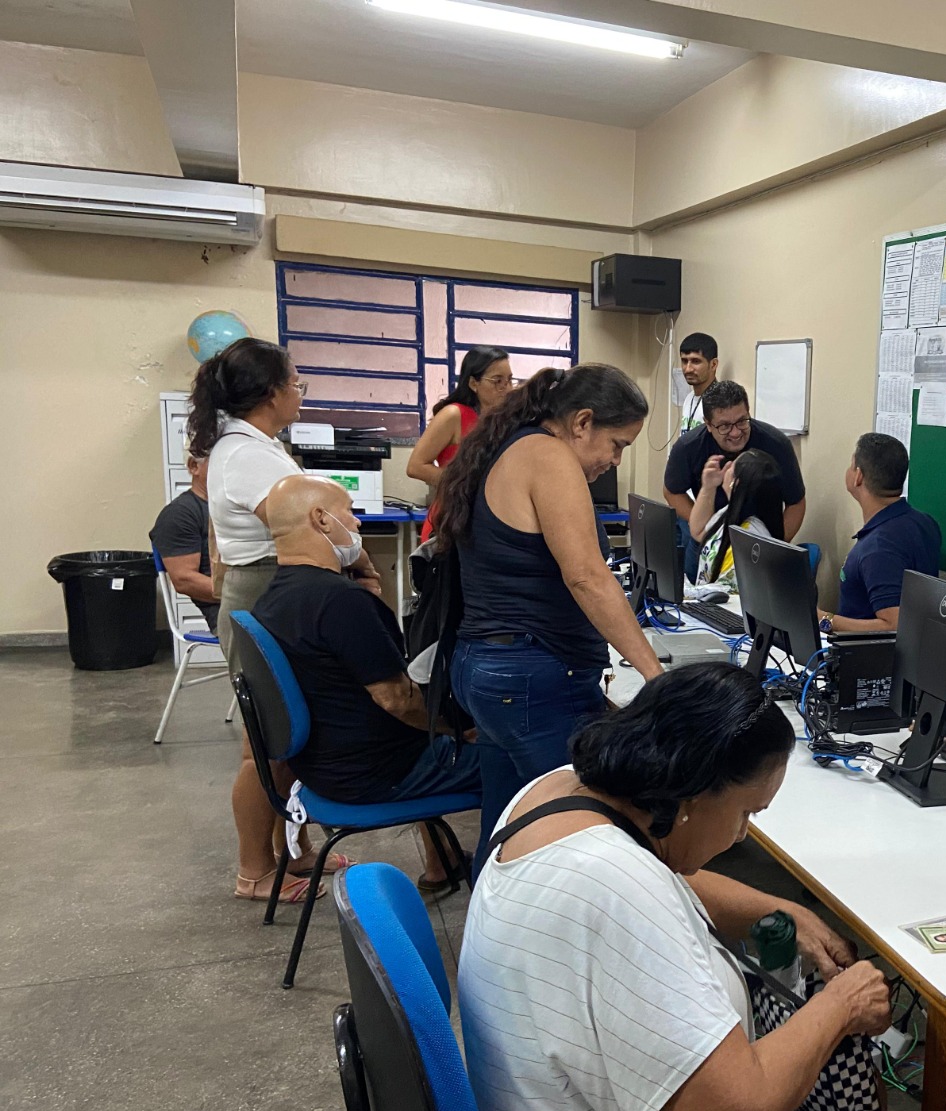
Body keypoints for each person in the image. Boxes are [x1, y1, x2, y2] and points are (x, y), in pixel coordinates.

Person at [457, 660, 931, 1111]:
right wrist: (841, 1005)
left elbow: (660, 871)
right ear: (693, 796)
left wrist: (777, 909)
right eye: (746, 813)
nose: (741, 836)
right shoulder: (619, 888)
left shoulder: (556, 794)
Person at [434, 363, 665, 876]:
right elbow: (586, 576)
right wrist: (655, 675)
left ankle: (490, 919)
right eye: (617, 444)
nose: (615, 460)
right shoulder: (549, 457)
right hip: (532, 676)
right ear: (582, 421)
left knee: (506, 824)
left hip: (488, 669)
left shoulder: (507, 444)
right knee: (582, 832)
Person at [188, 337, 380, 902]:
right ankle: (255, 871)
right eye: (297, 384)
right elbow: (309, 528)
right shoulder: (246, 455)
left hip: (271, 588)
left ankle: (292, 853)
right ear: (271, 392)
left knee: (290, 738)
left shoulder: (254, 446)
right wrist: (358, 558)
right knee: (266, 746)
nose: (300, 393)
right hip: (266, 591)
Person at [250, 476, 479, 887]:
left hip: (323, 765)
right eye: (350, 512)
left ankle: (442, 862)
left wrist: (369, 580)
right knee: (510, 756)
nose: (356, 523)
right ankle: (504, 885)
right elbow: (398, 700)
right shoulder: (340, 601)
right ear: (322, 519)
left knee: (430, 734)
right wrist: (460, 728)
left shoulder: (275, 597)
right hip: (376, 773)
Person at [665, 380, 807, 586]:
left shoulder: (775, 444)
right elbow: (674, 495)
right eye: (724, 426)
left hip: (756, 546)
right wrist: (713, 528)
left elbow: (796, 502)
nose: (735, 432)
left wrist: (773, 548)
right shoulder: (689, 447)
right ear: (708, 424)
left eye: (742, 421)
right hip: (714, 539)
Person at [818, 434, 940, 635]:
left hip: (863, 651)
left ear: (858, 476)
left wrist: (825, 619)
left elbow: (894, 625)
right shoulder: (925, 523)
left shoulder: (878, 547)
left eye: (851, 465)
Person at [407, 346, 512, 541]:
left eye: (509, 380)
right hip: (452, 519)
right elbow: (416, 466)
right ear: (473, 383)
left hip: (488, 520)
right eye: (497, 381)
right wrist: (463, 484)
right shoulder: (453, 414)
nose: (506, 388)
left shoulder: (503, 422)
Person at [691, 448, 786, 591]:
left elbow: (726, 592)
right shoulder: (731, 512)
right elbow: (699, 532)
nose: (727, 465)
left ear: (735, 483)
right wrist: (708, 487)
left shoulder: (749, 537)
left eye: (732, 466)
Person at [149, 452, 219, 631]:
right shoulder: (179, 514)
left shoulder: (239, 506)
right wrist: (242, 594)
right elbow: (184, 580)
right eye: (221, 460)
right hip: (231, 611)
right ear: (194, 466)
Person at [677, 331, 719, 433]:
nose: (688, 369)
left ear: (713, 364)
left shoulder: (720, 402)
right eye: (684, 361)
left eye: (696, 361)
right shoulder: (689, 398)